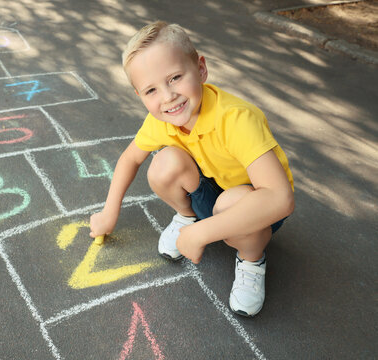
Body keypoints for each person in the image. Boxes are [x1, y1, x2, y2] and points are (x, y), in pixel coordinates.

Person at [89, 21, 294, 317]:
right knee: (164, 163)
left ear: (200, 69)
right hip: (212, 190)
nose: (168, 96)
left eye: (175, 77)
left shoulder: (236, 119)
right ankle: (188, 217)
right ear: (140, 96)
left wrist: (202, 234)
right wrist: (110, 212)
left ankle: (252, 259)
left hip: (258, 208)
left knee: (229, 204)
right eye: (151, 90)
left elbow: (280, 198)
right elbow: (130, 159)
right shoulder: (162, 119)